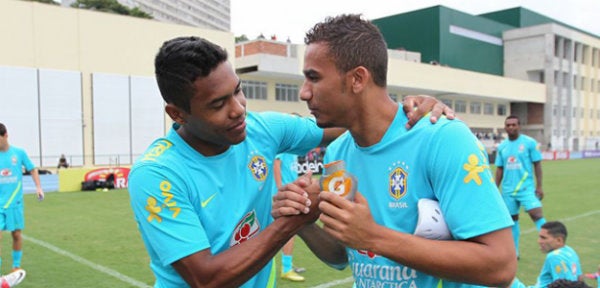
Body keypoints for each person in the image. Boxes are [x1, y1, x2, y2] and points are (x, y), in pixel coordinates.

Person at [127, 36, 452, 287]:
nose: (239, 108)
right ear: (178, 113)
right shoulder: (158, 173)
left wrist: (411, 113)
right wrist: (293, 220)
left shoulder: (262, 130)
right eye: (218, 104)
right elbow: (207, 279)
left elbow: (356, 119)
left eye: (238, 91)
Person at [271, 14, 517, 287]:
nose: (304, 93)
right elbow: (345, 254)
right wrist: (303, 223)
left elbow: (501, 264)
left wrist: (374, 236)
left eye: (313, 78)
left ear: (357, 79)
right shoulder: (337, 153)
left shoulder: (442, 138)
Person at [495, 115, 546, 258]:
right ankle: (514, 252)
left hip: (526, 188)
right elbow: (499, 169)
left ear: (519, 126)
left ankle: (551, 244)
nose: (511, 127)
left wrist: (539, 186)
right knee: (512, 220)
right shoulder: (502, 147)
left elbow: (537, 164)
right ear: (505, 128)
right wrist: (495, 188)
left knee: (536, 214)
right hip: (508, 190)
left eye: (514, 125)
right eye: (508, 125)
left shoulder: (529, 143)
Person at [0, 123, 44, 273]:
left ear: (5, 135)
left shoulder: (18, 153)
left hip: (15, 202)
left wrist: (38, 187)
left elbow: (32, 169)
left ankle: (16, 266)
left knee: (16, 234)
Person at [510, 221, 583, 287]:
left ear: (559, 240)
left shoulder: (554, 257)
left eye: (543, 238)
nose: (539, 241)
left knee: (505, 279)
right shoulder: (570, 251)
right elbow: (579, 278)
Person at [273, 152, 305, 282]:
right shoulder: (284, 146)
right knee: (289, 232)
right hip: (286, 195)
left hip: (291, 192)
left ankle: (288, 263)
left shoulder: (293, 149)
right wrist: (280, 189)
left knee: (291, 231)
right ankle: (286, 269)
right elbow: (276, 164)